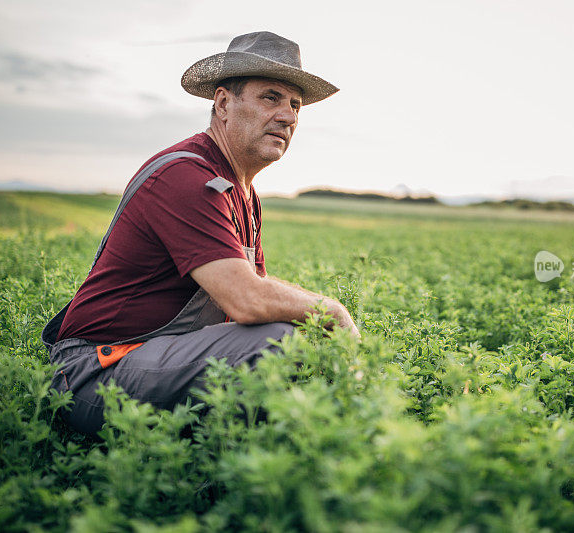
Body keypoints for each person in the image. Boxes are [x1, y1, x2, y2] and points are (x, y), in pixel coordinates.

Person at [41, 31, 359, 436]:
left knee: (297, 329)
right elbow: (246, 300)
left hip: (150, 357)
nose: (289, 116)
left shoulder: (242, 190)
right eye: (271, 97)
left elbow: (254, 288)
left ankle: (263, 451)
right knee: (282, 341)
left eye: (295, 105)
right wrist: (332, 310)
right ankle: (237, 466)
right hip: (93, 375)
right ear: (224, 103)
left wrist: (316, 319)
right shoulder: (186, 176)